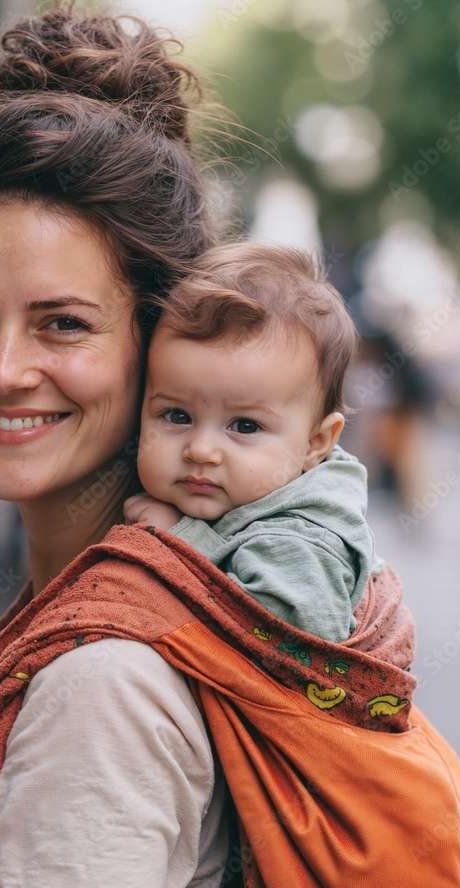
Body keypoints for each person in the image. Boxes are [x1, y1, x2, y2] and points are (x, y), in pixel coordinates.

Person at [0, 7, 460, 888]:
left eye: (62, 324)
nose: (3, 369)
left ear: (157, 341)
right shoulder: (102, 607)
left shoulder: (107, 678)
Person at [123, 242, 381, 645]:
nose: (201, 450)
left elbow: (291, 639)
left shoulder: (299, 538)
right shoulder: (253, 492)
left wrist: (182, 541)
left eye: (244, 425)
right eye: (176, 416)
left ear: (315, 444)